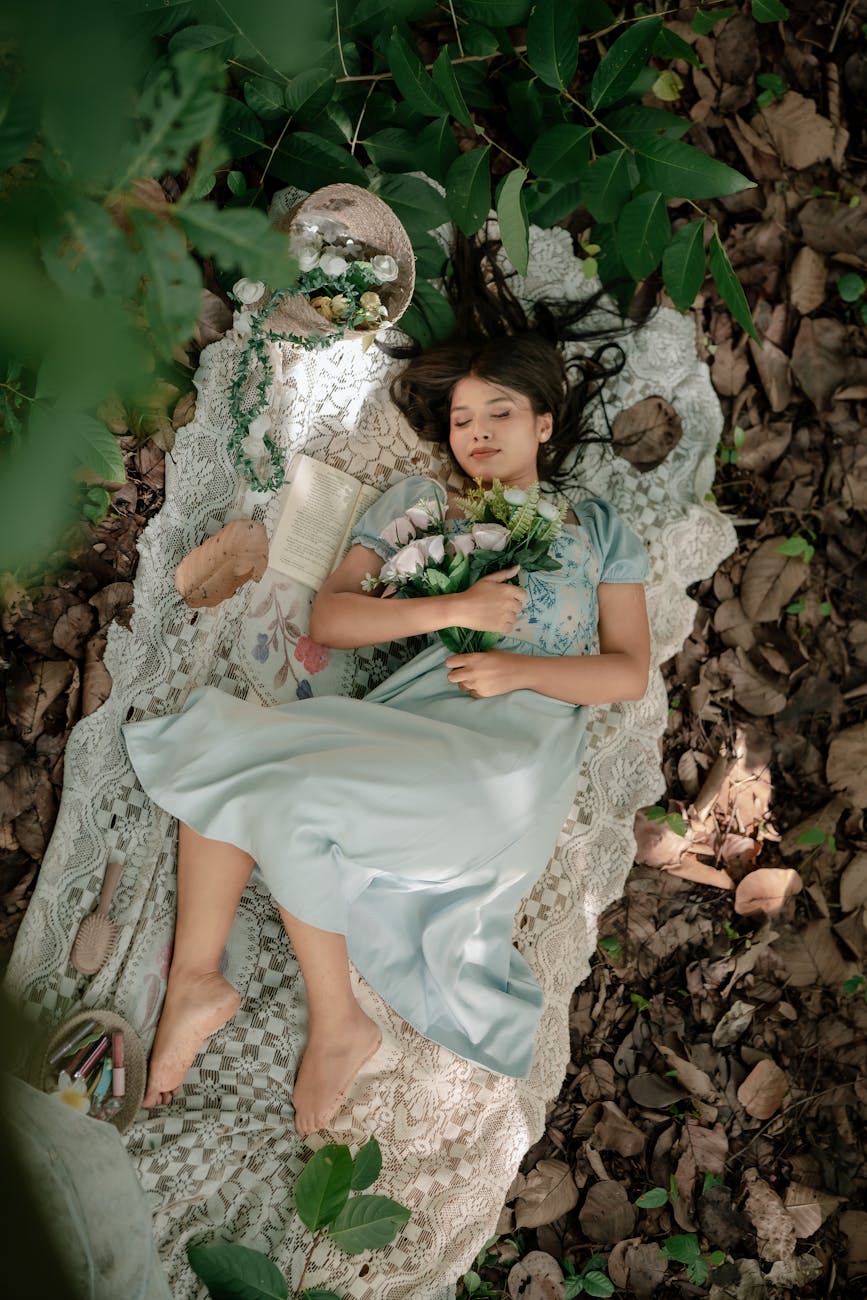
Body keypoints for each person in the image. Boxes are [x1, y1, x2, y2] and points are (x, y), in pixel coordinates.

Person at [121, 243, 653, 1138]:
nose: (476, 431)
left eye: (500, 412)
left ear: (545, 424)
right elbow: (331, 619)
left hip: (510, 757)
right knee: (228, 748)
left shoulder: (595, 528)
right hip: (415, 719)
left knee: (262, 779)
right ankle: (200, 982)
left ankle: (332, 1022)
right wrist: (454, 604)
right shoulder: (419, 505)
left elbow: (626, 671)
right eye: (460, 418)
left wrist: (517, 665)